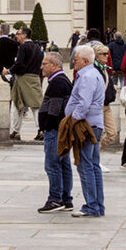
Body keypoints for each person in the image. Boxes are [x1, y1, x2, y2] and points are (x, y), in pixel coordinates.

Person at [66, 43, 109, 217]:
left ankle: (92, 205)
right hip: (93, 124)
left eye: (75, 59)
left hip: (87, 125)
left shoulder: (87, 76)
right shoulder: (91, 74)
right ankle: (97, 205)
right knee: (93, 164)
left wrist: (72, 120)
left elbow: (84, 103)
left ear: (84, 60)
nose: (73, 62)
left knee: (85, 165)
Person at [36, 52, 74, 212]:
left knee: (53, 165)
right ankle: (66, 199)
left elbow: (55, 109)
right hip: (60, 129)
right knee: (63, 163)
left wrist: (46, 126)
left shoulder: (58, 82)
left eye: (45, 64)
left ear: (54, 65)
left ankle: (55, 199)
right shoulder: (60, 80)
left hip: (55, 130)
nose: (41, 67)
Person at [9, 26, 45, 144]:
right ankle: (41, 129)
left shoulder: (23, 47)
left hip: (23, 79)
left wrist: (8, 71)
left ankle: (15, 131)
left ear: (24, 35)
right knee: (36, 106)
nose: (16, 36)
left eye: (18, 34)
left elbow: (19, 64)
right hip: (35, 78)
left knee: (17, 105)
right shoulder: (37, 47)